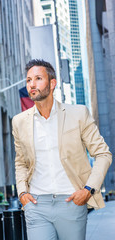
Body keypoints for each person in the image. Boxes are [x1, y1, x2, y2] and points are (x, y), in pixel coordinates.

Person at [12, 59, 112, 240]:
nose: (32, 84)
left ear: (52, 83)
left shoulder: (78, 114)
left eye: (38, 78)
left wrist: (88, 190)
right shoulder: (19, 122)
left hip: (71, 202)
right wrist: (22, 193)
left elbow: (103, 154)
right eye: (28, 80)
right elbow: (21, 161)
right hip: (36, 205)